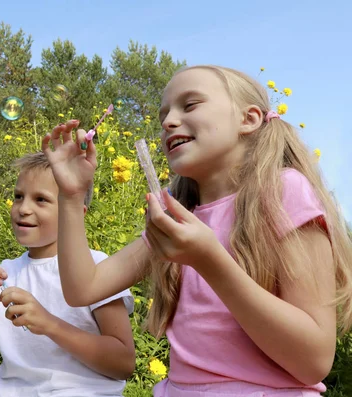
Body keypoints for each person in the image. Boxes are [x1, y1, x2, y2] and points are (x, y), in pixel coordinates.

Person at [42, 65, 352, 396]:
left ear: (248, 119)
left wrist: (209, 260)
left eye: (189, 105)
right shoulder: (178, 215)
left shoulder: (283, 192)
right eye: (164, 114)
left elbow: (313, 362)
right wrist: (71, 197)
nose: (167, 122)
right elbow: (83, 289)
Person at [0, 152, 136, 397]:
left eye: (41, 199)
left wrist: (50, 324)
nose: (23, 208)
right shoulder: (4, 274)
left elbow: (124, 364)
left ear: (75, 212)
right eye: (18, 197)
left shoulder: (96, 268)